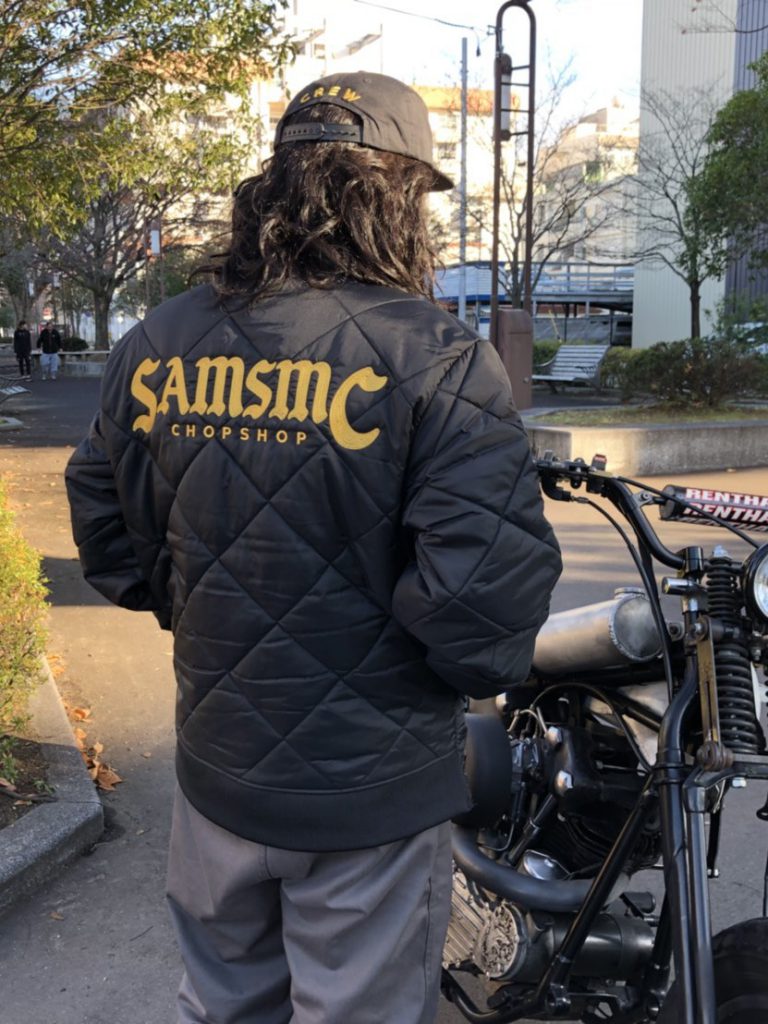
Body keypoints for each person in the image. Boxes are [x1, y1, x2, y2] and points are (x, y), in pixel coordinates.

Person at [64, 71, 562, 1024]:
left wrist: (197, 602)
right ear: (396, 198)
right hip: (369, 794)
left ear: (275, 187)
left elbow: (105, 523)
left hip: (215, 764)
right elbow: (483, 611)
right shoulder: (436, 356)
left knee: (222, 1007)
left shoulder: (158, 340)